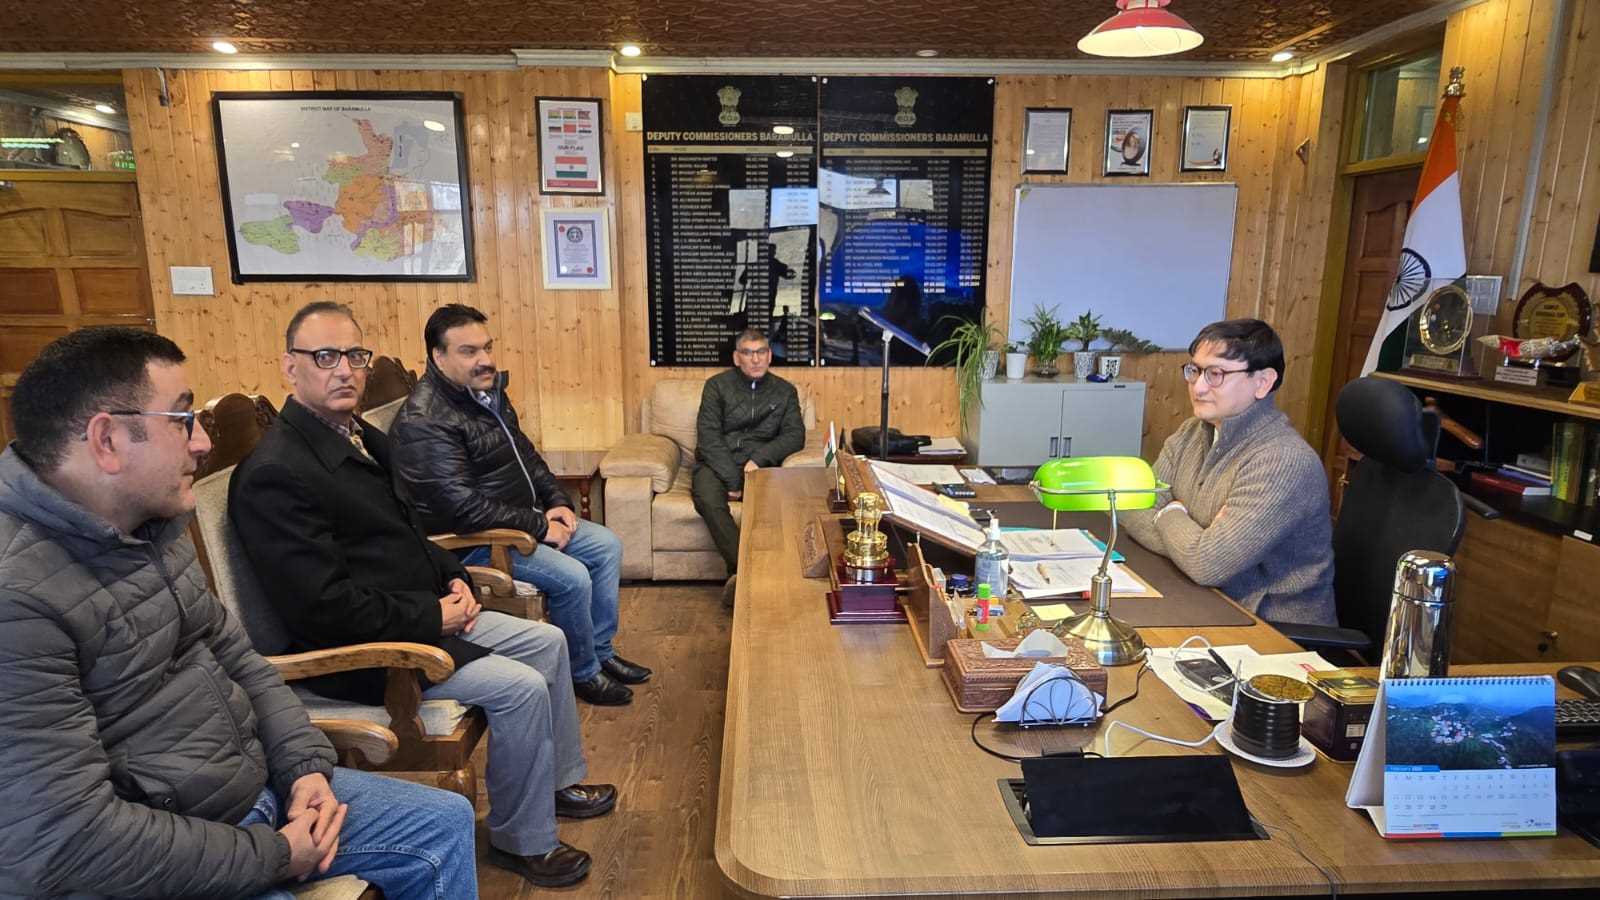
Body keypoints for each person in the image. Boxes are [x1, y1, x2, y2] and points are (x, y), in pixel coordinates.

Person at [0, 327, 477, 900]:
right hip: (159, 855)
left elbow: (242, 661)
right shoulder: (18, 599)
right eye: (183, 420)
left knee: (441, 822)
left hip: (254, 793)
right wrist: (274, 855)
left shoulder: (151, 527)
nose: (202, 442)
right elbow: (65, 842)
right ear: (107, 440)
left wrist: (304, 767)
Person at [228, 302, 613, 888]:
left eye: (355, 356)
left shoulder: (361, 438)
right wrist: (431, 614)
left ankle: (554, 784)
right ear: (290, 366)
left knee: (549, 642)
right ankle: (524, 841)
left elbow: (410, 534)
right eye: (325, 357)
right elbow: (321, 609)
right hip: (369, 654)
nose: (345, 370)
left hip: (418, 613)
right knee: (520, 687)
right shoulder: (275, 473)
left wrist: (453, 576)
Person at [391, 303, 648, 708]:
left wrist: (556, 500)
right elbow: (462, 509)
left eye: (487, 347)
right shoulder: (425, 420)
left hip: (520, 523)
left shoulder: (485, 393)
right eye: (469, 351)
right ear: (438, 357)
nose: (485, 360)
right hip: (477, 541)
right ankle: (583, 673)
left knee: (606, 545)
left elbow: (525, 454)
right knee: (573, 577)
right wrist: (540, 526)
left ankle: (600, 652)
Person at [1120, 318, 1336, 626]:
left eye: (1216, 374)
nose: (1198, 386)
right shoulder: (1192, 431)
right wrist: (1195, 543)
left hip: (1272, 630)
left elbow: (1207, 565)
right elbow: (1132, 506)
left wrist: (1169, 512)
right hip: (1205, 600)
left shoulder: (1283, 461)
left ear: (1262, 382)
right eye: (1195, 370)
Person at [692, 327, 805, 606]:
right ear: (736, 357)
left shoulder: (785, 391)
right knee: (707, 499)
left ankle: (743, 579)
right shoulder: (716, 386)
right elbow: (708, 436)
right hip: (717, 463)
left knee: (775, 508)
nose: (755, 359)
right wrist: (733, 480)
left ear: (769, 356)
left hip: (760, 467)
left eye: (761, 352)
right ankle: (748, 574)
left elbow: (795, 435)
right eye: (748, 353)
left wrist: (760, 459)